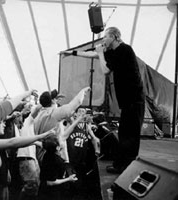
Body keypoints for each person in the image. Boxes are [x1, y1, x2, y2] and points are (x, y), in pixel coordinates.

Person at [62, 27, 145, 173]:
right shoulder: (113, 52)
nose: (103, 40)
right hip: (127, 101)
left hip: (134, 99)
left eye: (105, 37)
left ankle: (127, 167)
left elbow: (105, 70)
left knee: (130, 135)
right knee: (125, 134)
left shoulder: (125, 50)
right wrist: (72, 53)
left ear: (114, 37)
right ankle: (122, 165)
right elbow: (93, 54)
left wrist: (100, 53)